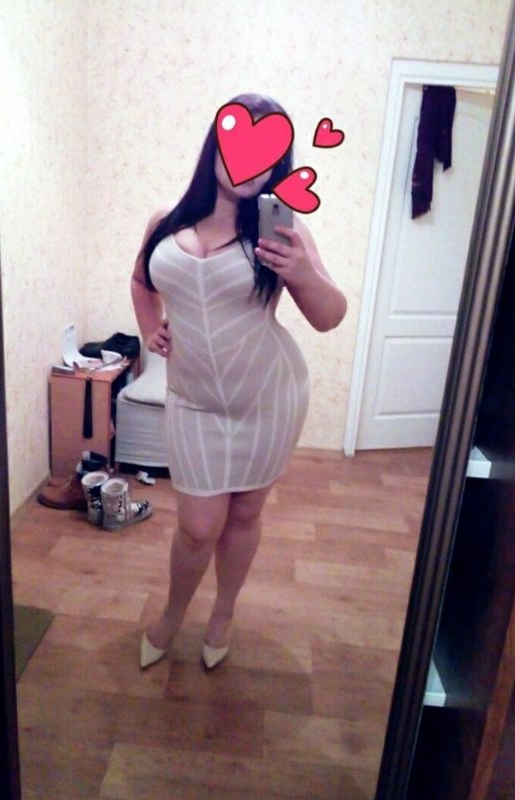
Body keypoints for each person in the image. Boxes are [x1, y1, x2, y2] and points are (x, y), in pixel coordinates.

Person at [131, 93, 347, 670]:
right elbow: (141, 282)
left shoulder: (282, 231)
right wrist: (150, 329)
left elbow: (329, 316)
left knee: (246, 515)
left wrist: (301, 272)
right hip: (193, 401)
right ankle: (173, 614)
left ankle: (223, 612)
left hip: (268, 398)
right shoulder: (165, 223)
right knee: (197, 528)